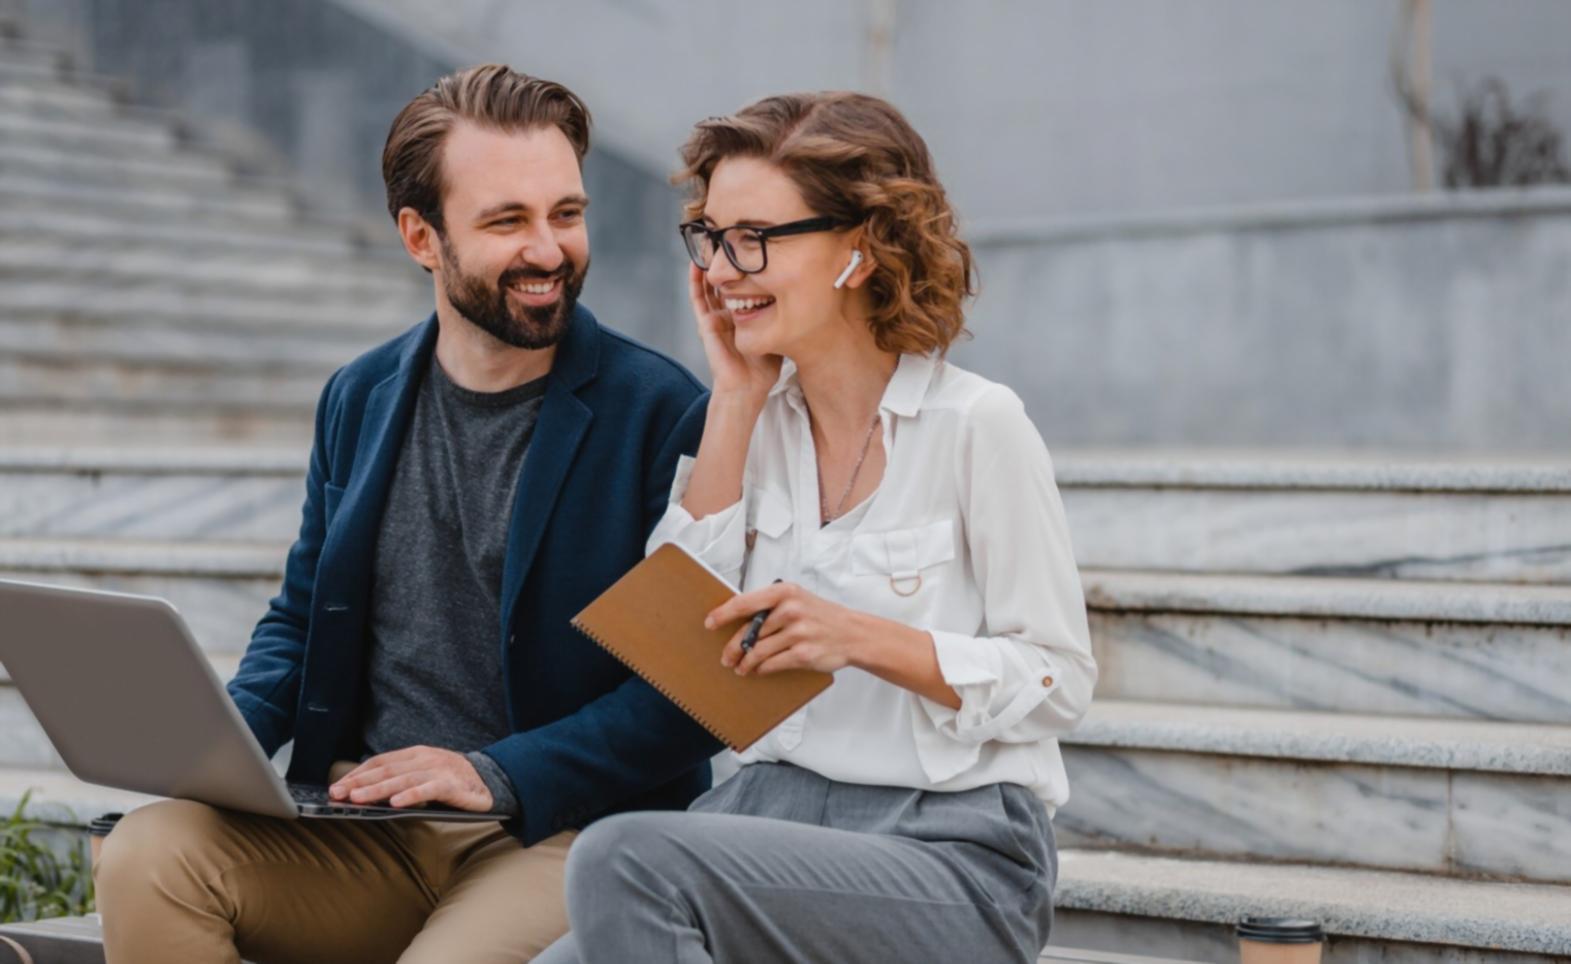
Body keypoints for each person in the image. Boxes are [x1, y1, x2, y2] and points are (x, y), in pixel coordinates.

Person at [92, 64, 721, 964]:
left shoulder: (661, 411)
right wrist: (210, 754)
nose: (549, 250)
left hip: (560, 834)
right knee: (148, 854)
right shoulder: (359, 395)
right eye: (507, 221)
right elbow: (304, 619)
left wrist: (494, 773)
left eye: (566, 214)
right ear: (420, 237)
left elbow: (689, 695)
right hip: (365, 831)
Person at [537, 91, 1098, 964]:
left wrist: (862, 638)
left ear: (860, 246)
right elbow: (682, 632)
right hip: (769, 822)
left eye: (754, 237)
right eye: (712, 238)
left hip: (951, 859)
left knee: (624, 856)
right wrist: (731, 397)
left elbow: (1060, 679)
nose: (723, 269)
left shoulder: (976, 426)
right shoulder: (752, 420)